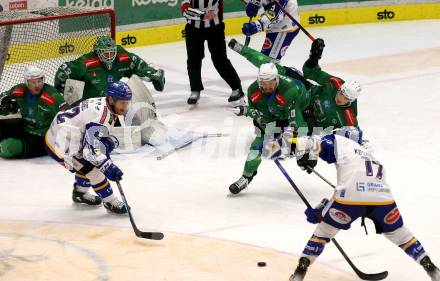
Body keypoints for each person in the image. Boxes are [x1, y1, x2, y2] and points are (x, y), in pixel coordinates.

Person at [278, 134, 440, 281]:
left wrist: (282, 144)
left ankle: (301, 271)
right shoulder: (372, 158)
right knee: (402, 235)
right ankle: (430, 267)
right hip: (383, 199)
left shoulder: (341, 141)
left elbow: (311, 143)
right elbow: (362, 190)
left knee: (324, 231)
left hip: (350, 199)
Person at [228, 38, 363, 149]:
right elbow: (311, 73)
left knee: (294, 136)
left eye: (346, 98)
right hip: (307, 91)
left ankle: (276, 134)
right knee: (275, 70)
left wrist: (360, 142)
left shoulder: (349, 117)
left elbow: (353, 135)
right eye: (341, 93)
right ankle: (242, 49)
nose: (340, 98)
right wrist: (314, 57)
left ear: (350, 101)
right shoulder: (335, 83)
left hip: (310, 118)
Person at [45, 81, 132, 214]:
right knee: (94, 170)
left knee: (96, 157)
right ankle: (110, 201)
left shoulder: (104, 104)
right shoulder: (101, 117)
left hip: (69, 134)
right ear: (111, 99)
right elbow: (90, 152)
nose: (125, 107)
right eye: (122, 102)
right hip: (60, 143)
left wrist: (105, 146)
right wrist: (108, 167)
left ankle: (80, 193)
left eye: (127, 102)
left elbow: (92, 136)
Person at [228, 62, 311, 194]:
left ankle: (305, 154)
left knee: (306, 138)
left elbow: (297, 122)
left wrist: (304, 150)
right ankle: (246, 177)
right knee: (256, 146)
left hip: (302, 108)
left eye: (271, 82)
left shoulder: (289, 91)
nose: (267, 86)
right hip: (273, 115)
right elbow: (259, 115)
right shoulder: (252, 91)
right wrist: (264, 126)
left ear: (277, 79)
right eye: (263, 82)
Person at [54, 35, 165, 107]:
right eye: (105, 53)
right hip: (88, 107)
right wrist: (67, 91)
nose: (109, 56)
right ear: (97, 52)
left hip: (111, 104)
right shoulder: (87, 62)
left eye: (112, 52)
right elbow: (63, 73)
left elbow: (139, 65)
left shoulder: (122, 57)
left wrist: (152, 74)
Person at [181, 0, 244, 105]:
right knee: (193, 60)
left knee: (220, 59)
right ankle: (195, 89)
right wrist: (202, 15)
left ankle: (236, 88)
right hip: (193, 29)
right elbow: (185, 9)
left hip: (215, 28)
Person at [0, 65, 66, 159]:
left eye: (39, 81)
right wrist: (6, 103)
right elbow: (3, 96)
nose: (37, 85)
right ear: (27, 82)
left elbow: (68, 116)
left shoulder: (52, 96)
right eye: (33, 82)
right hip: (26, 130)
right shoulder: (19, 90)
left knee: (9, 148)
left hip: (44, 139)